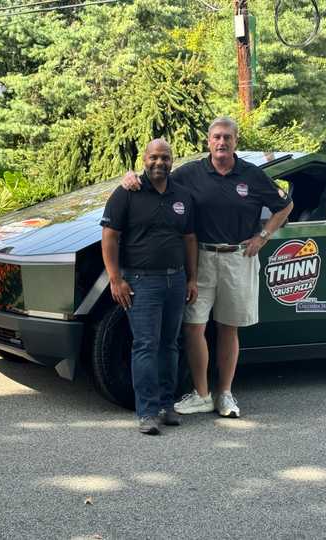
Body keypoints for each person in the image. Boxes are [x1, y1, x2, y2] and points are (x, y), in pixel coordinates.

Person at [120, 118, 293, 418]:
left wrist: (263, 236)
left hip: (239, 257)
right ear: (208, 141)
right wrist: (130, 178)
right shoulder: (191, 173)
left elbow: (285, 206)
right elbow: (158, 177)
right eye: (216, 137)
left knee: (228, 328)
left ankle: (225, 394)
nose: (221, 142)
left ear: (235, 141)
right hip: (201, 258)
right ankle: (201, 394)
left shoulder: (252, 175)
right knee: (193, 326)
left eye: (227, 137)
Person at [101, 139, 198, 435]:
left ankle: (167, 405)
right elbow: (110, 237)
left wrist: (192, 278)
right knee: (145, 345)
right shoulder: (127, 192)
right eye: (154, 157)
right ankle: (147, 412)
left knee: (170, 345)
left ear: (172, 161)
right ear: (144, 159)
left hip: (176, 279)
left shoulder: (182, 195)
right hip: (141, 282)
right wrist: (115, 279)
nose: (160, 162)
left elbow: (190, 239)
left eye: (165, 158)